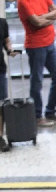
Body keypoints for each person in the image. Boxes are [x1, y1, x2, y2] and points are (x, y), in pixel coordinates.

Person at [17, 0, 56, 127]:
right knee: (37, 81)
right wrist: (50, 17)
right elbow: (37, 23)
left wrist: (43, 17)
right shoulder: (23, 2)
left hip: (50, 43)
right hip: (35, 46)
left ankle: (50, 112)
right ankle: (37, 116)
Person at [0, 17, 17, 152]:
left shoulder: (2, 22)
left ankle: (0, 137)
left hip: (0, 68)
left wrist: (10, 50)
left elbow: (6, 40)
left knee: (1, 105)